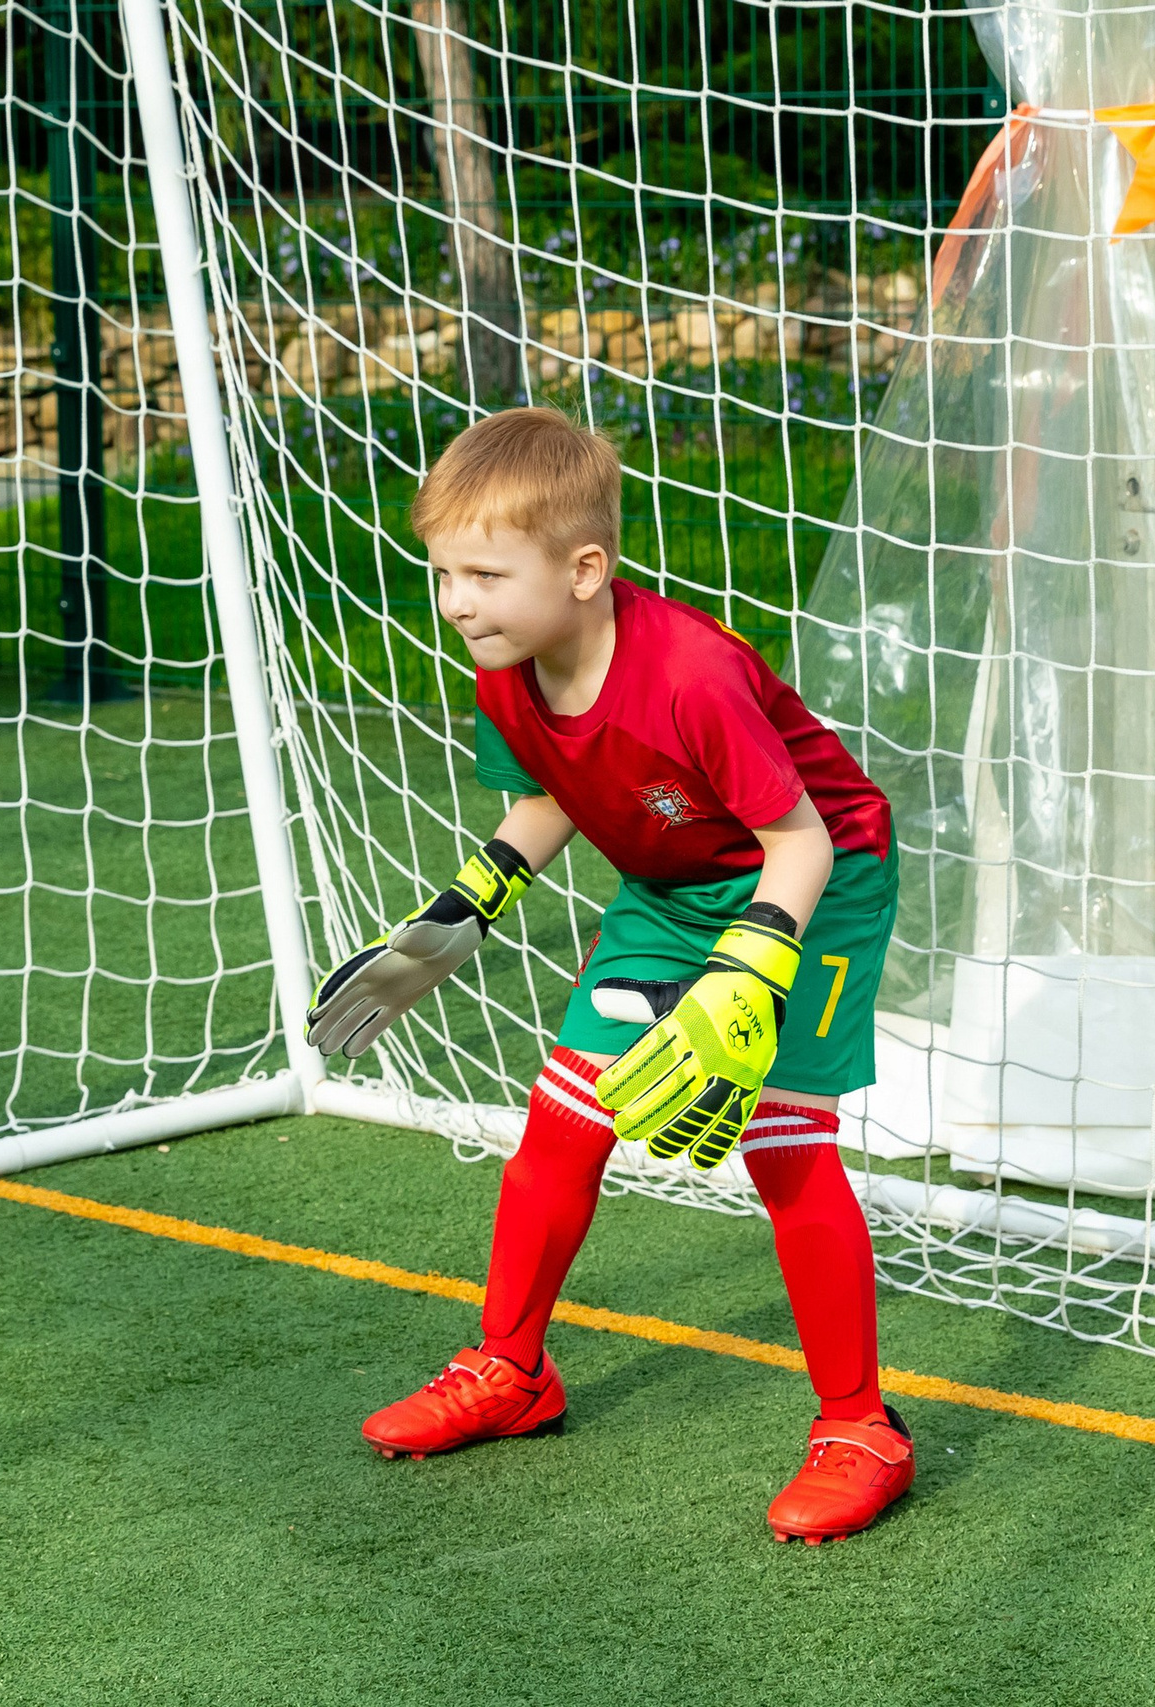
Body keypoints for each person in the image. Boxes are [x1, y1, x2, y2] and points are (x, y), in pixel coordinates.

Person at [304, 407, 910, 1544]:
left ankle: (858, 1426)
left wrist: (748, 973)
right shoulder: (508, 669)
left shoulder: (691, 677)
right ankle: (510, 1371)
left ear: (585, 568)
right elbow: (546, 801)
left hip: (816, 890)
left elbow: (805, 843)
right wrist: (462, 911)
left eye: (484, 573)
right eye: (443, 573)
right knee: (563, 1122)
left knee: (781, 1141)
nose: (457, 603)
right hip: (669, 888)